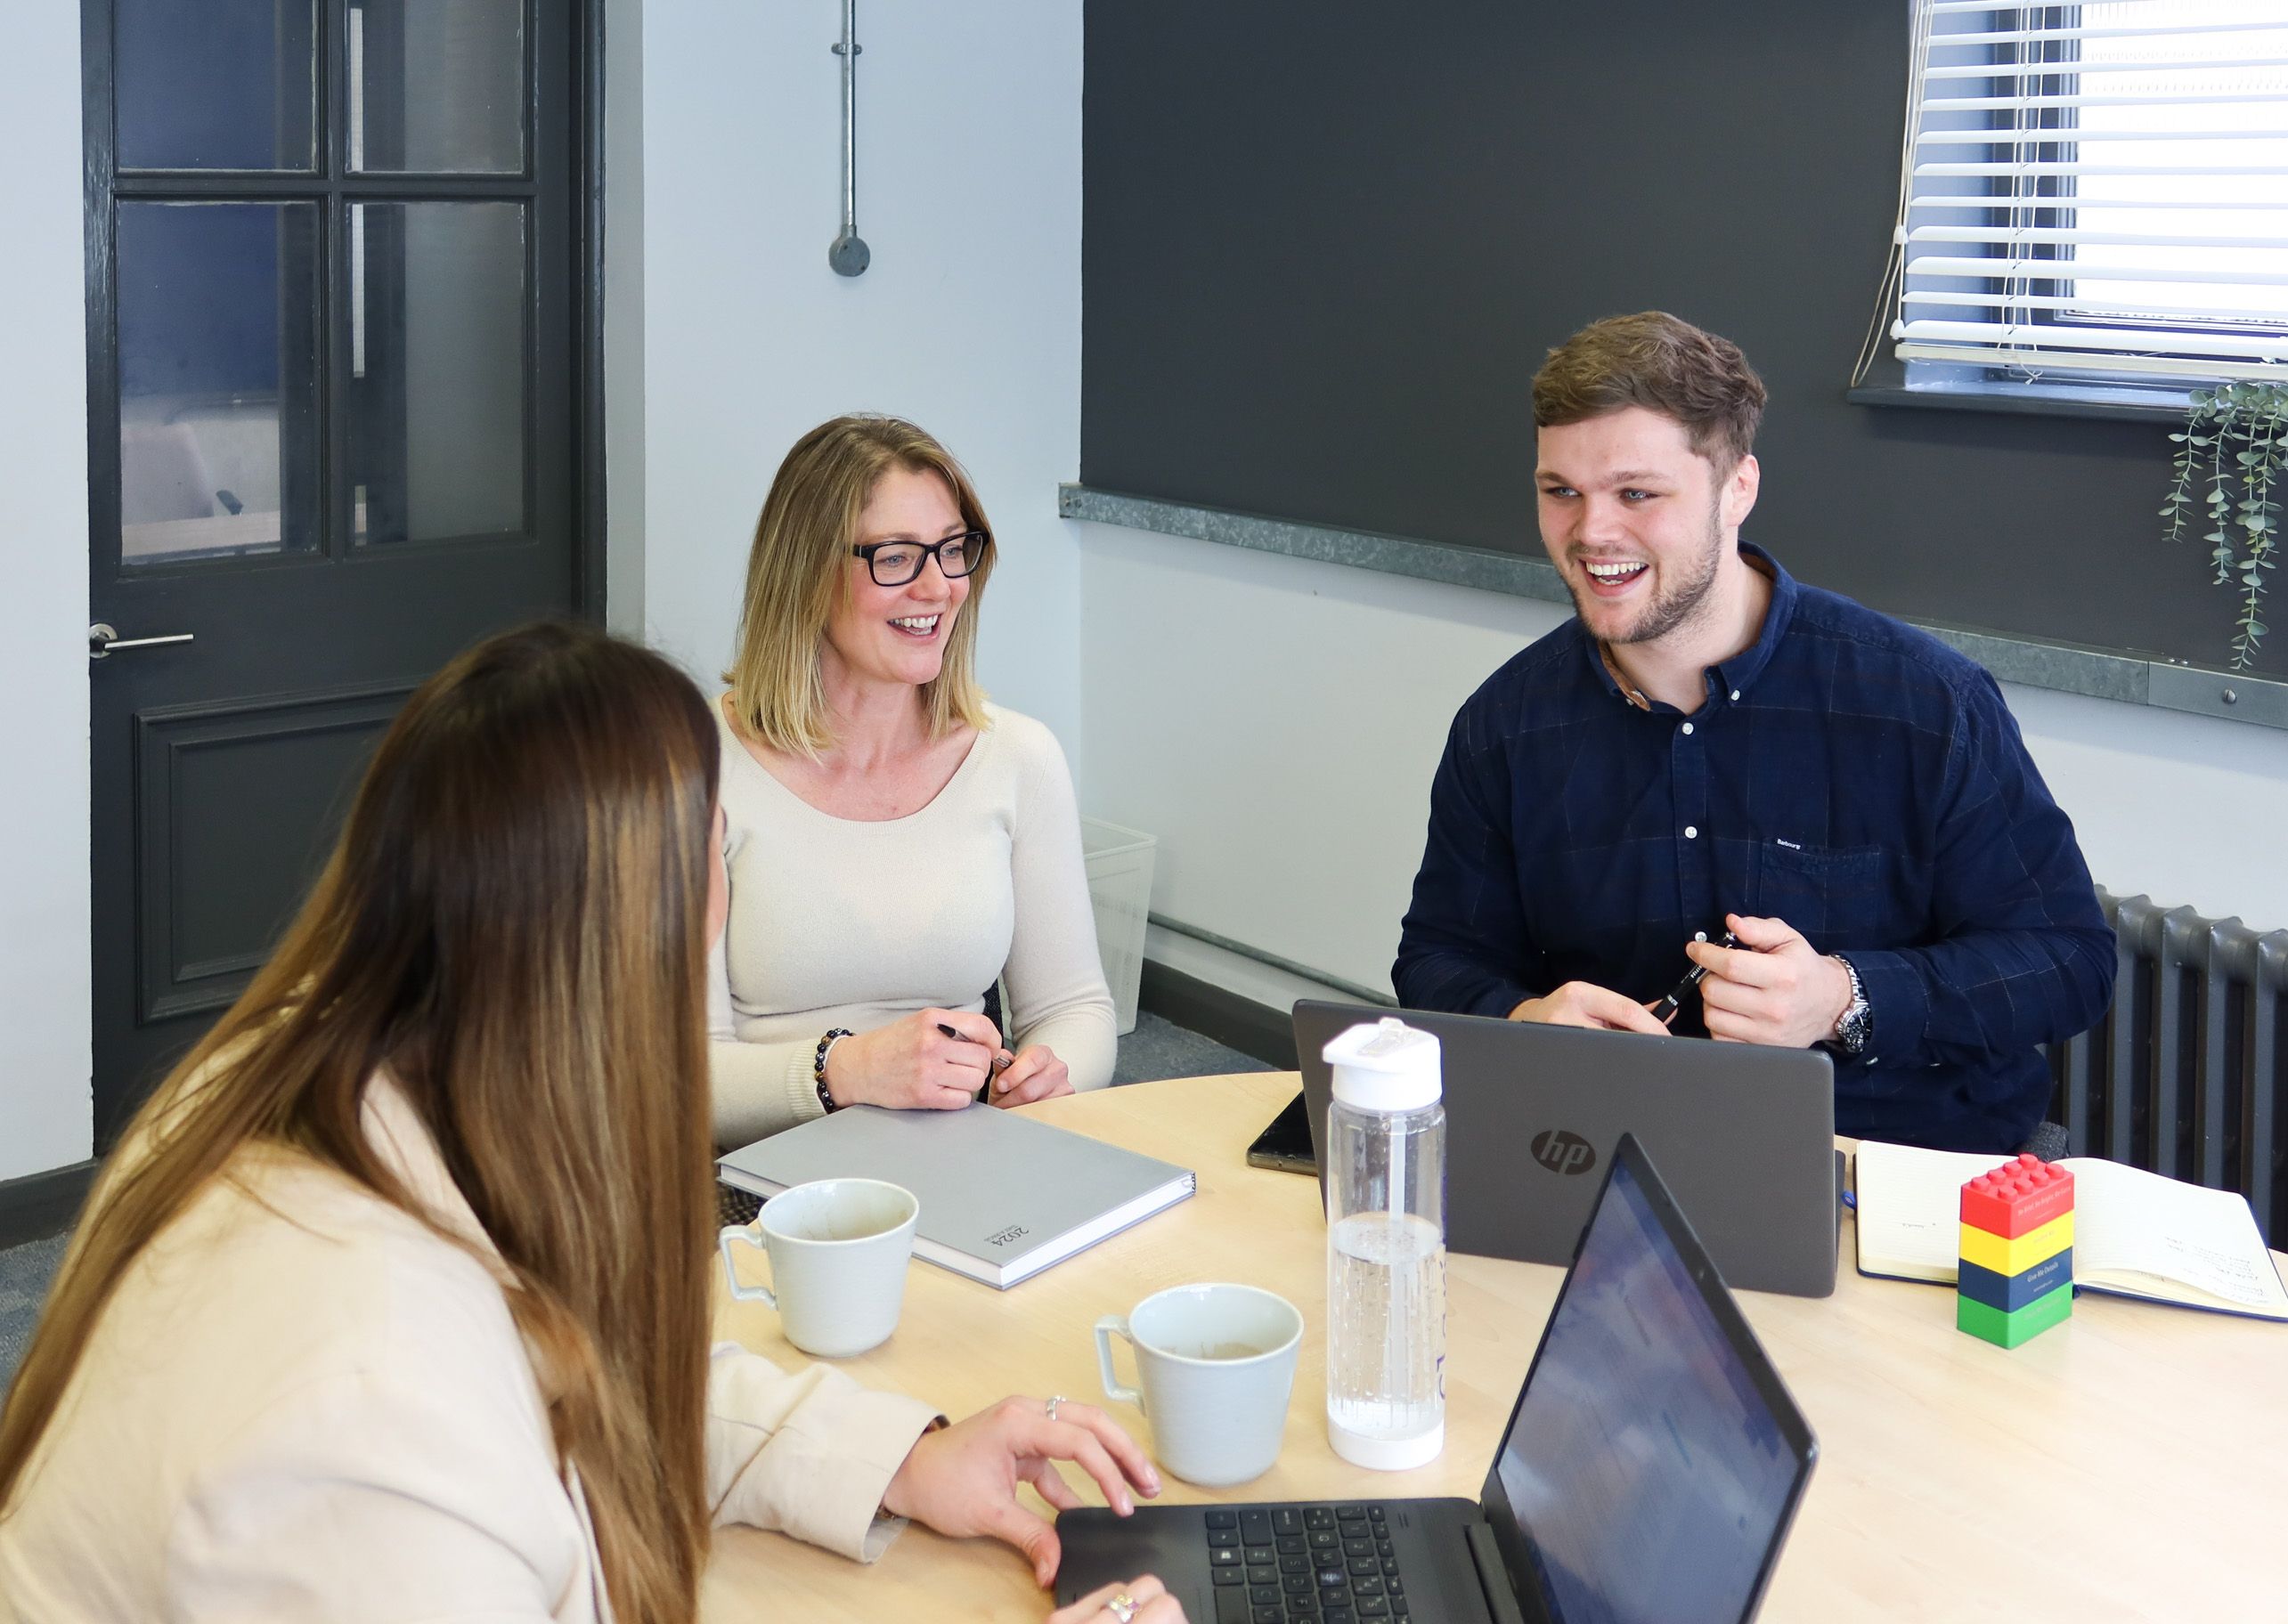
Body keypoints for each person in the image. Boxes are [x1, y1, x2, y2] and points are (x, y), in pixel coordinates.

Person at [0, 623, 1177, 1624]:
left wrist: (902, 1460)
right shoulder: (366, 1418)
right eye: (721, 843)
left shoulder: (312, 1082)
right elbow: (458, 1415)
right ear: (639, 924)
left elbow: (568, 1373)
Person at [1392, 313, 2115, 1154]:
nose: (1591, 533)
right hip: (1615, 1148)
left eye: (1636, 493)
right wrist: (1524, 1019)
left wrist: (1842, 997)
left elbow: (2068, 963)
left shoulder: (1923, 702)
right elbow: (1440, 957)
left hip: (1886, 1161)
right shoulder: (1505, 723)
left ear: (1737, 487)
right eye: (1561, 492)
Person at [710, 415, 1117, 1149]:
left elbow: (1077, 1007)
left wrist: (1051, 1077)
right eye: (896, 557)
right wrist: (846, 1071)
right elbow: (673, 1080)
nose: (939, 587)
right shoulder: (696, 766)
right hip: (755, 1182)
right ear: (805, 573)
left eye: (953, 550)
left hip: (963, 1155)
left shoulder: (1018, 757)